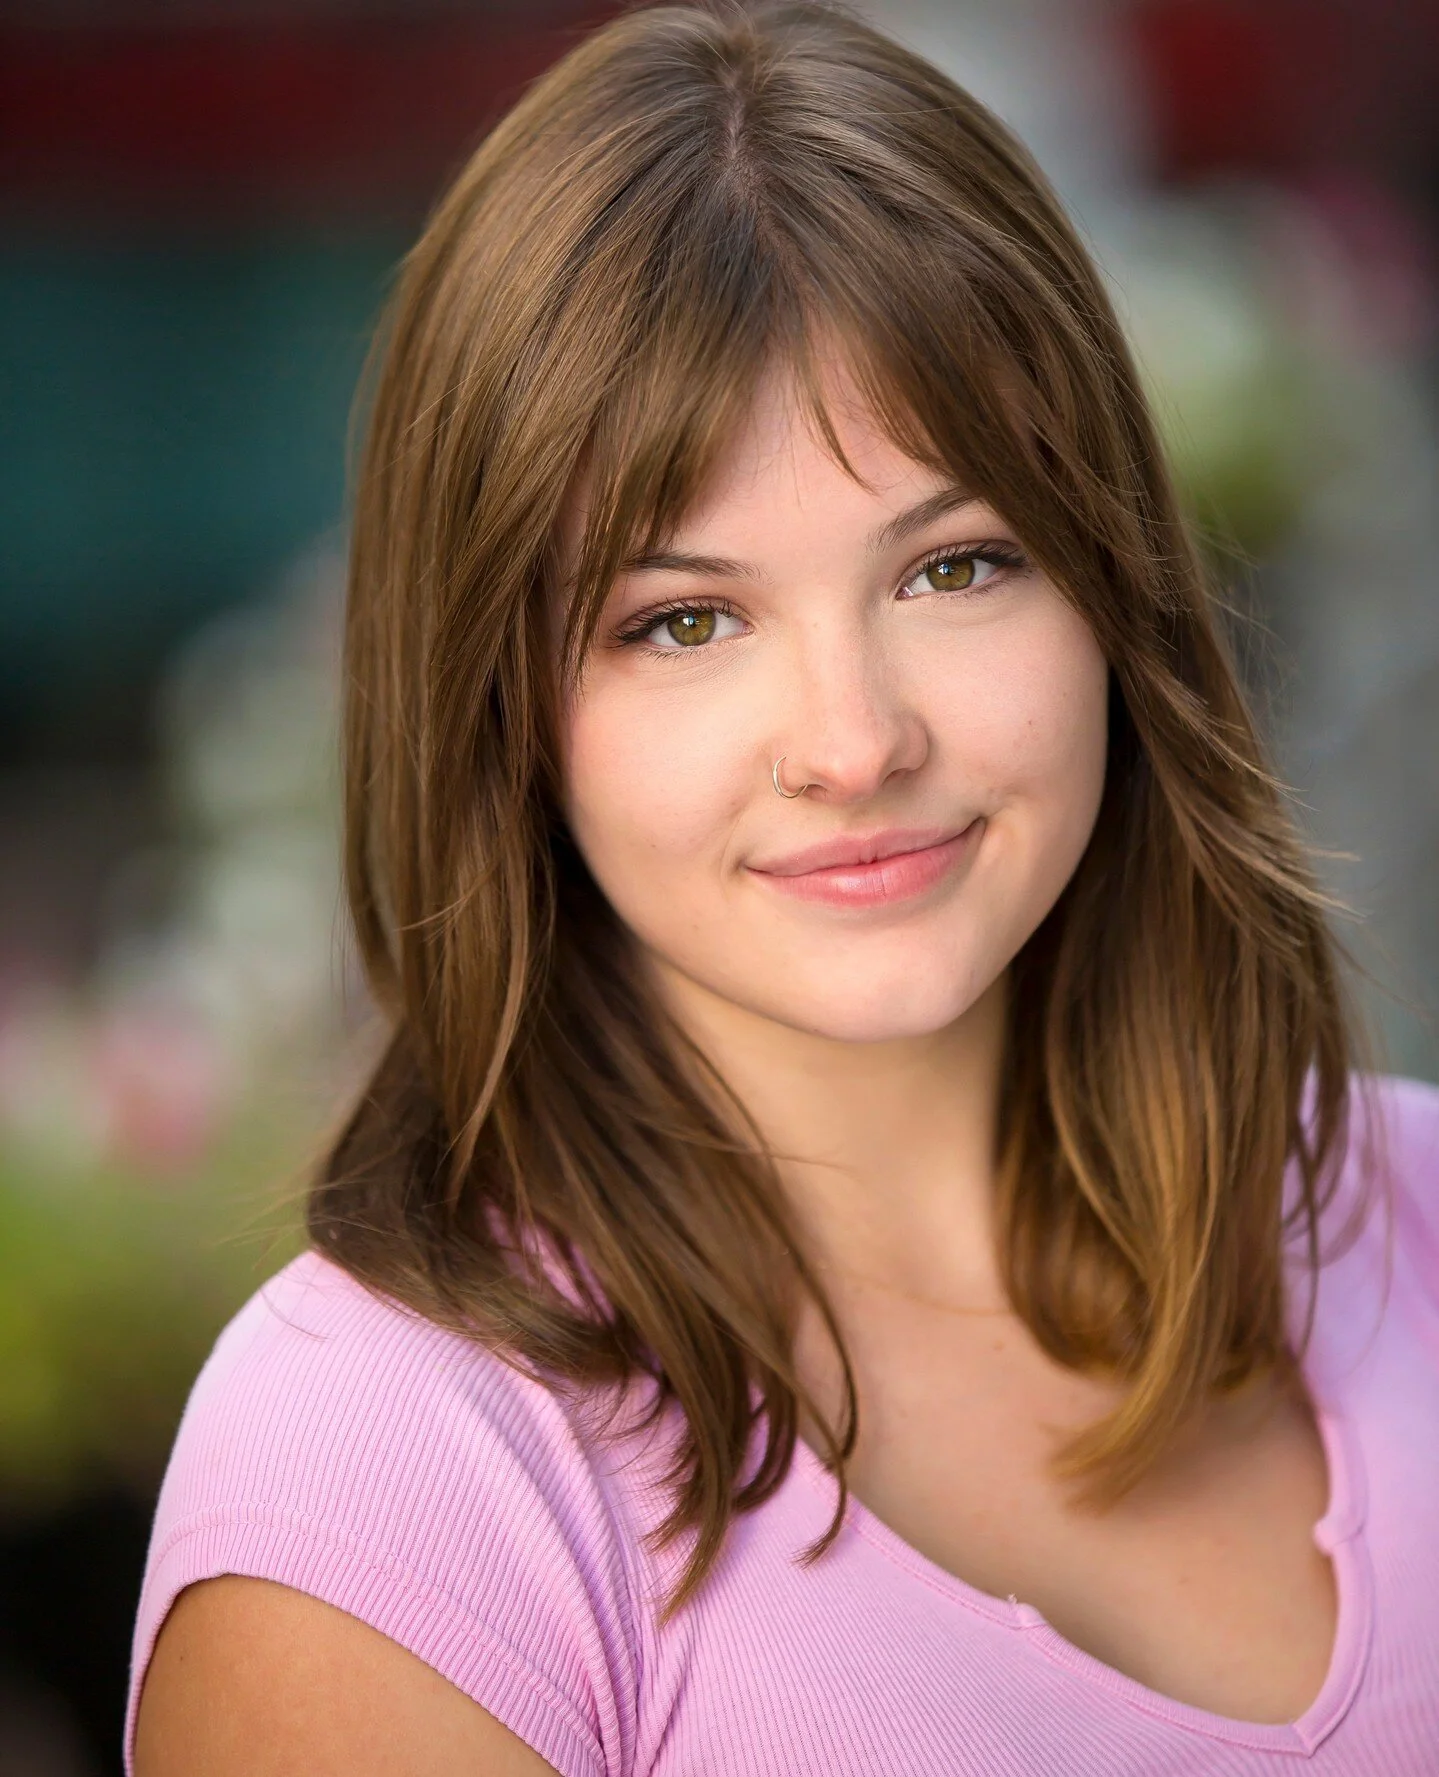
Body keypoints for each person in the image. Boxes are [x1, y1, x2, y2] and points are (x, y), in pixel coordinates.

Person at [126, 4, 1439, 1772]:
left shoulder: (1417, 1219)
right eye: (683, 620)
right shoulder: (391, 1486)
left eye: (957, 565)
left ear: (1112, 592)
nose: (851, 739)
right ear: (503, 707)